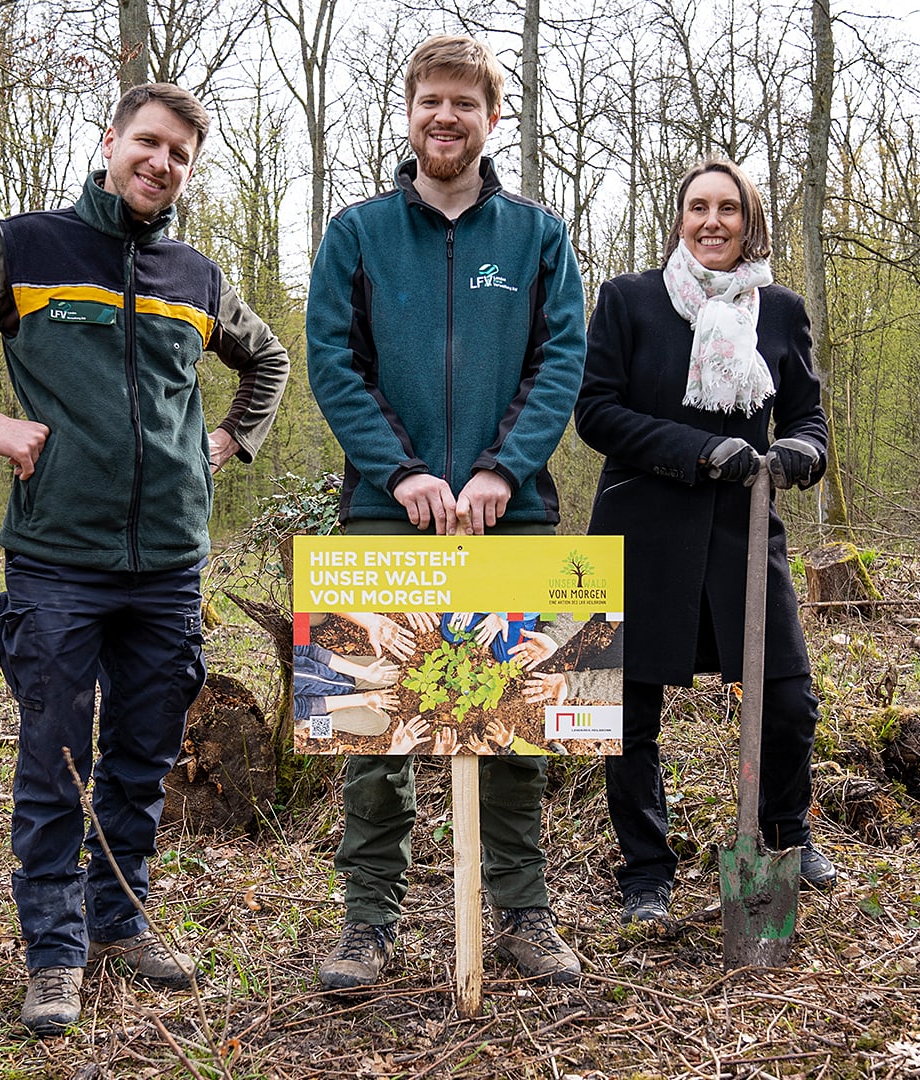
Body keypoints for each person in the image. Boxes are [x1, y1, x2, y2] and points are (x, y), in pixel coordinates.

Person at [0, 82, 289, 1034]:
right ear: (110, 141)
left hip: (171, 563)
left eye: (180, 154)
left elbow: (268, 362)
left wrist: (227, 444)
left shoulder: (198, 274)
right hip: (57, 559)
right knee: (56, 757)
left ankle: (123, 917)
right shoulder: (27, 247)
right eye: (148, 143)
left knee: (144, 754)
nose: (162, 164)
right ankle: (55, 950)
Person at [305, 34, 588, 990]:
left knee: (518, 718)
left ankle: (523, 910)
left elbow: (561, 363)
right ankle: (367, 922)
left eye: (466, 103)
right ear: (411, 109)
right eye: (432, 99)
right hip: (386, 516)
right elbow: (335, 368)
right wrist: (403, 474)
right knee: (369, 720)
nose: (446, 117)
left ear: (492, 118)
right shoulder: (357, 234)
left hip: (514, 513)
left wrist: (505, 469)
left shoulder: (539, 238)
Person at [573, 156, 837, 928]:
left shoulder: (780, 311)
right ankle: (646, 872)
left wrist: (801, 455)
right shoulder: (630, 300)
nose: (713, 220)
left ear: (750, 221)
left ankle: (787, 834)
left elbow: (811, 422)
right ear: (679, 218)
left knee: (787, 697)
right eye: (698, 207)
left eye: (729, 207)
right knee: (624, 711)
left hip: (744, 535)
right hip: (639, 530)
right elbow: (595, 413)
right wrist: (692, 450)